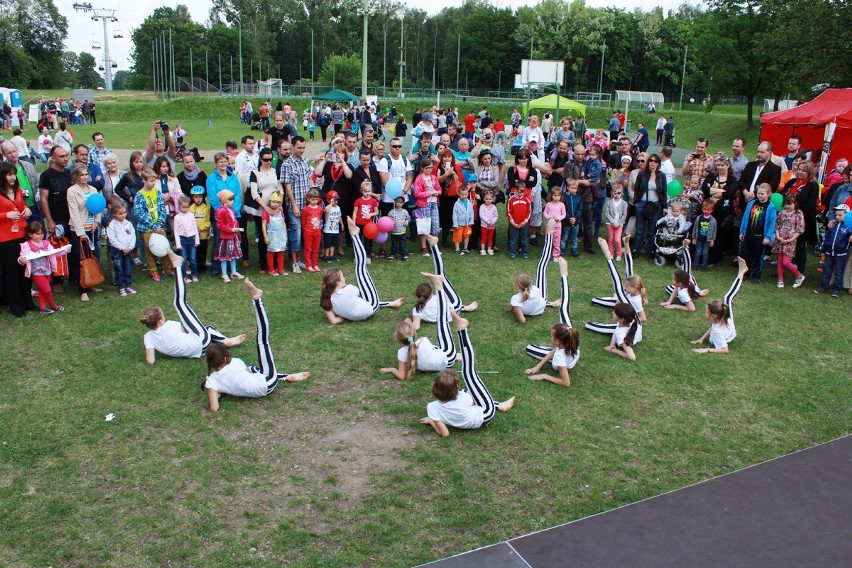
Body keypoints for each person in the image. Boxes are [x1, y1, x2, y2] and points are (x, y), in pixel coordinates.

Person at [203, 278, 310, 412]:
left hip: (263, 385)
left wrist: (216, 393)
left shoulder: (211, 381)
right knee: (262, 338)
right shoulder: (235, 363)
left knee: (252, 368)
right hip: (268, 381)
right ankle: (257, 299)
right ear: (225, 358)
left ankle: (285, 377)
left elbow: (214, 408)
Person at [419, 312, 515, 437]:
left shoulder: (432, 408)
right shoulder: (462, 398)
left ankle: (500, 405)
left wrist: (433, 421)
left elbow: (445, 434)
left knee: (468, 377)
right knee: (469, 372)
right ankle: (462, 329)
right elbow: (474, 399)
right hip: (486, 414)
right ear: (456, 387)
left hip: (476, 416)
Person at [320, 217, 404, 324]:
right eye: (342, 277)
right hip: (372, 307)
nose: (345, 278)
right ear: (337, 282)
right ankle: (355, 235)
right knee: (361, 268)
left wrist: (346, 316)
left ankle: (390, 303)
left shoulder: (326, 299)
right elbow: (361, 294)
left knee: (361, 270)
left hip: (357, 313)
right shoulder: (348, 290)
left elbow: (334, 321)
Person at [381, 272, 458, 380]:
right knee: (442, 321)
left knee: (442, 321)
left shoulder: (402, 353)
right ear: (414, 333)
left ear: (398, 340)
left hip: (445, 361)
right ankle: (439, 284)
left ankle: (439, 283)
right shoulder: (423, 341)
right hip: (448, 358)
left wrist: (391, 369)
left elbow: (402, 376)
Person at [524, 257, 579, 387]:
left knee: (529, 348)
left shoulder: (560, 356)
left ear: (558, 341)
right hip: (568, 353)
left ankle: (564, 277)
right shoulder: (571, 336)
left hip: (565, 360)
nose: (551, 336)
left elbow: (566, 383)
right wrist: (538, 366)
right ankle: (564, 277)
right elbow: (556, 349)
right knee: (564, 309)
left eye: (552, 335)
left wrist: (543, 375)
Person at [586, 236, 648, 336]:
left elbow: (617, 281)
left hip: (628, 324)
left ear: (634, 288)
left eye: (627, 287)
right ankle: (626, 244)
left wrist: (607, 253)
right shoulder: (631, 294)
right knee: (595, 300)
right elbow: (629, 266)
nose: (625, 288)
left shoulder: (635, 301)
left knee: (589, 325)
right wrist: (627, 244)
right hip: (623, 307)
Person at [1, 161, 36, 317]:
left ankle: (28, 301)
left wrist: (27, 209)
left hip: (21, 234)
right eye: (9, 174)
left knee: (25, 270)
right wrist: (5, 215)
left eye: (14, 174)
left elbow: (21, 207)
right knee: (12, 272)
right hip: (6, 239)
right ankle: (16, 306)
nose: (13, 177)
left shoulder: (18, 190)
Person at [691, 257, 747, 354]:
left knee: (728, 298)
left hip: (729, 328)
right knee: (728, 298)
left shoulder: (717, 333)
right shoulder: (719, 320)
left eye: (707, 312)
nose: (705, 313)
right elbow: (713, 326)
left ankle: (741, 272)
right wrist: (701, 339)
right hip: (728, 325)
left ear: (714, 316)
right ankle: (741, 273)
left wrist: (706, 349)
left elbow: (725, 350)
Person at [66, 164, 103, 302]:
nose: (85, 177)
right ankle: (82, 289)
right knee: (80, 259)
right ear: (76, 176)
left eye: (86, 174)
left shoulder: (93, 189)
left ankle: (92, 282)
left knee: (92, 257)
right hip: (78, 230)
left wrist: (97, 222)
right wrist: (81, 233)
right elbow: (74, 212)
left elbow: (98, 206)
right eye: (82, 175)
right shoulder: (72, 191)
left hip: (91, 228)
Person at [17, 220, 69, 313]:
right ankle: (53, 305)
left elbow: (54, 253)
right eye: (37, 234)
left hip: (47, 270)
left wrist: (65, 250)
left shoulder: (46, 243)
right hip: (36, 272)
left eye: (41, 233)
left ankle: (43, 308)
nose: (40, 236)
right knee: (47, 289)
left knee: (42, 289)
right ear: (30, 234)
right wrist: (21, 260)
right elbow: (22, 257)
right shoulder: (26, 245)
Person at [509, 221, 555, 323]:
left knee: (542, 266)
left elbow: (522, 320)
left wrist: (517, 309)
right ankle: (550, 234)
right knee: (542, 266)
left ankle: (550, 234)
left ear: (517, 285)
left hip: (536, 308)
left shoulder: (515, 299)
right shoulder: (535, 290)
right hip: (540, 306)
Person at [133, 167, 173, 282]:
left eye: (154, 181)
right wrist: (153, 226)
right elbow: (139, 214)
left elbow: (162, 209)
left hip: (160, 227)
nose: (153, 183)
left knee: (165, 247)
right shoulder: (139, 195)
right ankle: (153, 271)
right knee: (149, 251)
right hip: (147, 229)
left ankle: (168, 268)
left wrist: (159, 224)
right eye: (151, 181)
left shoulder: (157, 192)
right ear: (144, 181)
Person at [739, 183, 777, 283]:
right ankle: (745, 273)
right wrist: (742, 232)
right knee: (746, 255)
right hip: (749, 234)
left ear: (768, 194)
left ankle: (756, 275)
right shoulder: (751, 203)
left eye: (762, 194)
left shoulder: (771, 207)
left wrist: (768, 236)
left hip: (760, 237)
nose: (760, 195)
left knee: (758, 257)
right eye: (758, 193)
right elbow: (745, 218)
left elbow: (772, 223)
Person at [632, 153, 666, 255]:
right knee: (640, 229)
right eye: (651, 160)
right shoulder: (642, 174)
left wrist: (664, 206)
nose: (652, 163)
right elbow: (636, 189)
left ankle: (650, 250)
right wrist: (636, 203)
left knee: (652, 230)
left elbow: (664, 192)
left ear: (658, 164)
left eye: (655, 161)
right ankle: (637, 249)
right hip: (642, 204)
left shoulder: (661, 176)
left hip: (655, 205)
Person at [815, 204, 851, 297]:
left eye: (840, 215)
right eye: (836, 215)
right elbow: (827, 238)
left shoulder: (848, 227)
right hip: (829, 253)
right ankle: (823, 287)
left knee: (839, 272)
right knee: (827, 271)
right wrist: (823, 249)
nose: (838, 217)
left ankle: (836, 289)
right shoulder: (832, 225)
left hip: (841, 254)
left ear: (846, 215)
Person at [772, 194, 806, 289]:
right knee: (779, 260)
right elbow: (777, 225)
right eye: (786, 204)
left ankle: (799, 275)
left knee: (786, 262)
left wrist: (792, 239)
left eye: (790, 204)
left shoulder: (798, 213)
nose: (787, 207)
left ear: (795, 204)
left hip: (790, 241)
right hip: (780, 240)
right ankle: (780, 279)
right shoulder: (781, 213)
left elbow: (800, 229)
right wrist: (778, 236)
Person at [106, 203, 136, 296]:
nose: (123, 215)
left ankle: (128, 285)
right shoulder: (112, 225)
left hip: (128, 249)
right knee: (119, 267)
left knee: (128, 267)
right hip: (117, 250)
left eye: (124, 213)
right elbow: (112, 239)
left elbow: (133, 236)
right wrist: (122, 248)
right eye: (120, 214)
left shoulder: (128, 224)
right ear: (114, 214)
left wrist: (130, 247)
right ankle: (121, 286)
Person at [214, 189, 244, 283]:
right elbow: (219, 225)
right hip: (226, 237)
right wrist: (231, 230)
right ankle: (224, 274)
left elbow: (235, 221)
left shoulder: (231, 209)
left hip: (233, 236)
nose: (232, 202)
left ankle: (234, 272)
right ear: (223, 200)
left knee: (233, 255)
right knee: (224, 256)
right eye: (230, 200)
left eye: (232, 200)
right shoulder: (221, 211)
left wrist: (238, 233)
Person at [413, 158, 441, 256]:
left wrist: (437, 193)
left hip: (434, 203)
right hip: (423, 204)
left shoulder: (434, 178)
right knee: (425, 226)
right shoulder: (419, 178)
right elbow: (417, 194)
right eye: (427, 168)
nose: (429, 170)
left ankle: (434, 246)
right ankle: (424, 248)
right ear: (422, 168)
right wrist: (429, 193)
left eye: (431, 168)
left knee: (435, 225)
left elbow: (439, 189)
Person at [173, 195, 200, 282]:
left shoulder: (191, 215)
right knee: (183, 259)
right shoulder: (176, 217)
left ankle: (194, 275)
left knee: (193, 258)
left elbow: (195, 228)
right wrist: (178, 244)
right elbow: (176, 232)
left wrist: (197, 240)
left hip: (192, 239)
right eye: (183, 207)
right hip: (182, 239)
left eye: (187, 207)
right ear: (179, 206)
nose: (185, 209)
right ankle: (184, 276)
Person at [301, 188, 324, 272]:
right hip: (308, 232)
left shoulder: (320, 209)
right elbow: (303, 222)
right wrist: (305, 231)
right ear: (308, 199)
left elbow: (320, 219)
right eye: (312, 199)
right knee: (308, 249)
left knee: (316, 249)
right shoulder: (305, 210)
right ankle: (308, 265)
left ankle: (315, 264)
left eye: (316, 199)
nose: (314, 201)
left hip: (317, 232)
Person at [507, 181, 531, 259]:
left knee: (524, 239)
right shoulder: (511, 200)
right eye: (518, 190)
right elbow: (508, 212)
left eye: (522, 191)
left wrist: (525, 221)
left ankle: (525, 252)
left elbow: (529, 211)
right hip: (514, 223)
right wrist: (512, 222)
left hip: (524, 223)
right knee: (513, 239)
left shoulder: (527, 200)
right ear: (515, 190)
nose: (520, 192)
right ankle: (512, 252)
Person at [691, 200, 718, 271]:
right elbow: (695, 228)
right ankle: (695, 266)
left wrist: (712, 239)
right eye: (704, 209)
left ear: (712, 210)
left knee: (705, 253)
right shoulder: (699, 218)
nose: (706, 211)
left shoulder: (713, 220)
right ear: (702, 209)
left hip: (707, 239)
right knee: (697, 252)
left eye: (708, 210)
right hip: (699, 238)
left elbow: (714, 231)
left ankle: (704, 267)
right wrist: (694, 237)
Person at [543, 187, 566, 260]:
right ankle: (547, 254)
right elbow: (545, 213)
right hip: (549, 226)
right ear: (551, 195)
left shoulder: (561, 205)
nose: (556, 197)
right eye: (555, 196)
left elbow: (564, 214)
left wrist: (558, 218)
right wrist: (550, 218)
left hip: (558, 226)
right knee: (548, 241)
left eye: (558, 196)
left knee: (556, 241)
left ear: (560, 196)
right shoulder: (549, 204)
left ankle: (556, 255)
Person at [605, 186, 628, 260]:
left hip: (619, 224)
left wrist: (619, 223)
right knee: (611, 239)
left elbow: (624, 214)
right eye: (615, 193)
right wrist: (612, 222)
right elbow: (607, 213)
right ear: (612, 193)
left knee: (617, 239)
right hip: (610, 223)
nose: (616, 195)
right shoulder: (609, 202)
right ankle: (611, 253)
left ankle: (619, 253)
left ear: (621, 194)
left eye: (618, 193)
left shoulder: (624, 203)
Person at [452, 183, 474, 255]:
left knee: (466, 236)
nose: (464, 196)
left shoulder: (469, 203)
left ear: (467, 194)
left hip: (467, 223)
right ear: (459, 194)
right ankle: (457, 249)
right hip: (459, 224)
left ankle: (465, 248)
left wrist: (471, 221)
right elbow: (454, 215)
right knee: (457, 236)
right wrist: (455, 224)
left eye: (465, 194)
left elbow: (471, 212)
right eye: (462, 194)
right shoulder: (457, 204)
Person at [387, 195, 410, 261]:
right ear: (394, 202)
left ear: (403, 203)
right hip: (394, 232)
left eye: (400, 202)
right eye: (397, 202)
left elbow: (408, 217)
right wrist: (391, 221)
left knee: (403, 244)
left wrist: (407, 221)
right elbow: (387, 220)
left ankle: (404, 255)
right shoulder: (391, 212)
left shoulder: (405, 211)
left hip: (402, 231)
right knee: (394, 244)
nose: (398, 203)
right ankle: (393, 255)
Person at [479, 190, 498, 256]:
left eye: (490, 199)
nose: (488, 200)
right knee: (484, 237)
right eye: (486, 199)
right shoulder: (482, 207)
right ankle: (483, 249)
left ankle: (489, 249)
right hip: (484, 225)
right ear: (484, 199)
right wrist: (488, 221)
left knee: (490, 237)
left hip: (492, 226)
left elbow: (496, 216)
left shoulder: (494, 207)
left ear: (492, 199)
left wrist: (492, 222)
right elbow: (482, 215)